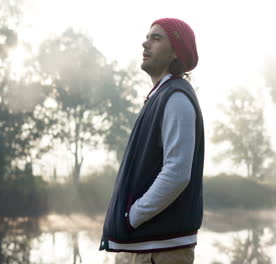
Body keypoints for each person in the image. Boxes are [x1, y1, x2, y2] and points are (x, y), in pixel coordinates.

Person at [99, 18, 204, 264]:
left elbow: (177, 173)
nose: (145, 44)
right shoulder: (161, 96)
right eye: (148, 37)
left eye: (156, 38)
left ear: (176, 52)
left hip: (158, 250)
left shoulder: (176, 97)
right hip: (146, 245)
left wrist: (132, 217)